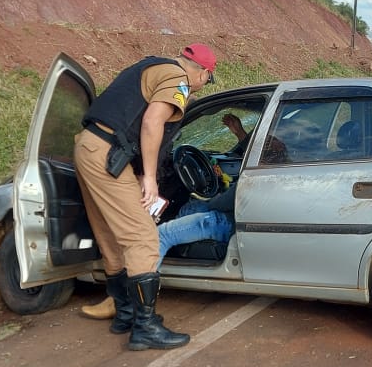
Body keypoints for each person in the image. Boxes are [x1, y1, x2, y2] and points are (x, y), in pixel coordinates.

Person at [74, 43, 217, 351]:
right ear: (203, 74)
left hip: (89, 148)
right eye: (207, 80)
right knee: (143, 237)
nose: (202, 86)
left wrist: (138, 170)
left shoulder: (150, 66)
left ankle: (125, 314)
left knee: (110, 234)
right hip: (107, 155)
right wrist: (150, 177)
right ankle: (146, 328)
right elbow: (153, 122)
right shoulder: (177, 79)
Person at [81, 114, 247, 320]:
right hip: (235, 215)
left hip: (227, 222)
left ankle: (125, 300)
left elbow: (227, 200)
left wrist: (209, 203)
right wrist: (240, 134)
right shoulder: (281, 153)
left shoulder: (261, 171)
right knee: (190, 208)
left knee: (158, 236)